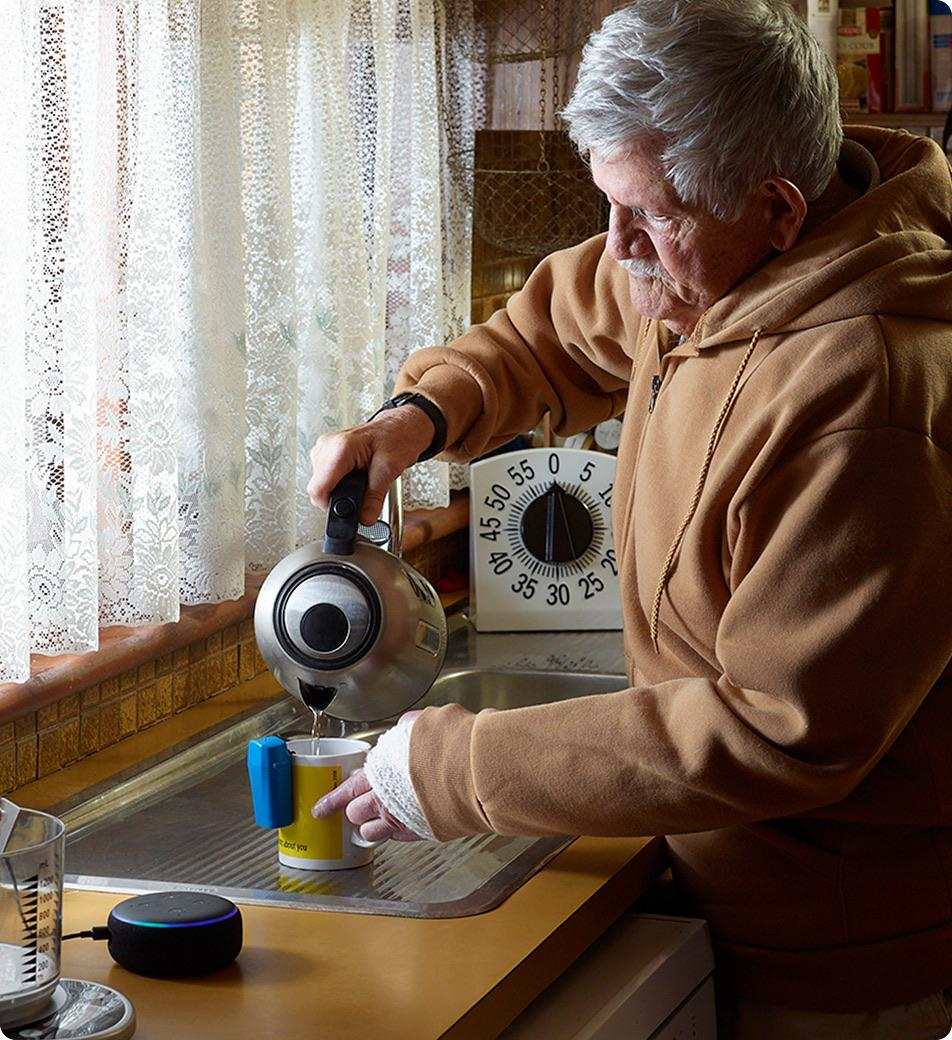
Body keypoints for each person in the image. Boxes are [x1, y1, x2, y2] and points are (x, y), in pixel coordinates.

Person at [309, 1, 952, 1035]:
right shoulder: (711, 272)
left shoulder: (865, 394)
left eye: (646, 217)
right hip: (718, 883)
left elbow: (774, 726)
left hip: (828, 952)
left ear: (779, 210)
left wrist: (457, 769)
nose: (617, 248)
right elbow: (549, 332)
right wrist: (416, 418)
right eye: (607, 204)